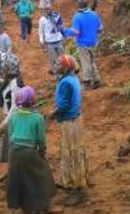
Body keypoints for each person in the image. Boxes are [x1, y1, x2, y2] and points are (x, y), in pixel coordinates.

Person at [6, 86, 55, 214]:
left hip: (14, 153)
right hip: (29, 152)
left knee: (20, 180)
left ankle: (24, 207)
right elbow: (41, 141)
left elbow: (10, 135)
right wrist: (42, 153)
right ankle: (40, 207)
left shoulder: (14, 116)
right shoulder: (37, 118)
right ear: (32, 100)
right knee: (42, 176)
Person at [48, 55, 88, 206]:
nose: (56, 64)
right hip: (75, 119)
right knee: (76, 151)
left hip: (69, 121)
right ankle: (72, 180)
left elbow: (63, 105)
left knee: (71, 154)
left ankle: (76, 189)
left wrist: (51, 114)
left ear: (65, 67)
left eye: (59, 63)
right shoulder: (72, 78)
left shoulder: (65, 82)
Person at [70, 0, 102, 89]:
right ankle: (96, 80)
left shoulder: (77, 17)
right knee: (92, 60)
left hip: (83, 43)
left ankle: (87, 81)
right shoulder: (94, 14)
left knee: (85, 62)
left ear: (79, 7)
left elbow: (76, 31)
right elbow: (100, 28)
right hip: (93, 41)